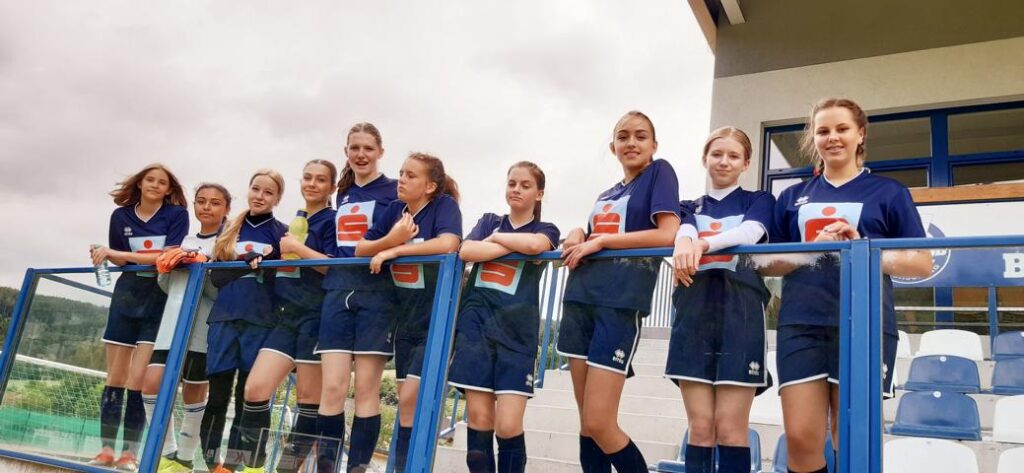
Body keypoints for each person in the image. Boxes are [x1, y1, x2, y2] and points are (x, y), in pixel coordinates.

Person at [770, 98, 931, 473]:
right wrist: (809, 251)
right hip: (801, 323)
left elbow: (922, 263)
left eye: (842, 129)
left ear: (860, 134)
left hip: (865, 326)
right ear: (814, 138)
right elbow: (767, 263)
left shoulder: (889, 192)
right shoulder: (792, 197)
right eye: (823, 131)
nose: (832, 137)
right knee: (800, 439)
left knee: (852, 439)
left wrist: (862, 249)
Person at [558, 111, 680, 473]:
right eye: (623, 136)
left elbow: (667, 234)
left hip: (619, 302)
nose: (631, 142)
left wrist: (602, 241)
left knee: (599, 422)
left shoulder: (660, 173)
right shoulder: (606, 194)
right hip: (580, 298)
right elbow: (589, 237)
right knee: (586, 424)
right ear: (613, 147)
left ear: (654, 145)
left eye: (640, 136)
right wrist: (578, 232)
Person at [666, 127, 774, 473]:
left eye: (733, 155)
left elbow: (751, 233)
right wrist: (685, 239)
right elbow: (683, 230)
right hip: (693, 314)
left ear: (746, 163)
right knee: (700, 428)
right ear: (705, 159)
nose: (724, 161)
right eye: (716, 154)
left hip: (741, 315)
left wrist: (702, 244)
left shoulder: (759, 200)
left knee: (730, 429)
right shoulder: (687, 207)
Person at [448, 161, 561, 473]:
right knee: (479, 420)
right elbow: (466, 251)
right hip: (476, 330)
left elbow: (536, 245)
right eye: (512, 183)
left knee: (508, 426)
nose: (517, 190)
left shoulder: (546, 230)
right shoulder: (489, 220)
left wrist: (496, 240)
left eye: (525, 185)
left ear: (539, 193)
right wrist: (511, 244)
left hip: (517, 335)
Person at [356, 152, 462, 472]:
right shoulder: (394, 211)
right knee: (406, 412)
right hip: (406, 323)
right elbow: (361, 249)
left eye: (411, 175)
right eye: (401, 173)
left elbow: (449, 243)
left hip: (437, 322)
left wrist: (397, 249)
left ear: (430, 186)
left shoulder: (443, 206)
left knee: (412, 400)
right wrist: (392, 238)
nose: (401, 179)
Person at [235, 160, 338, 473]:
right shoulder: (296, 220)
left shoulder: (332, 220)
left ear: (332, 187)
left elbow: (334, 267)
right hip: (286, 315)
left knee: (307, 400)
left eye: (320, 179)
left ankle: (286, 469)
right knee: (255, 389)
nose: (312, 184)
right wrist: (265, 257)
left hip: (316, 316)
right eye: (307, 178)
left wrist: (297, 247)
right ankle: (253, 465)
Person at [89, 164, 189, 472]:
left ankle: (130, 453)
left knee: (138, 380)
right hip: (126, 296)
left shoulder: (176, 215)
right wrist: (103, 254)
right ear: (140, 183)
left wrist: (119, 255)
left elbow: (167, 258)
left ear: (169, 189)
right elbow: (118, 260)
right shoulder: (121, 216)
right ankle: (106, 450)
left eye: (162, 182)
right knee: (115, 377)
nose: (156, 185)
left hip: (158, 298)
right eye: (150, 180)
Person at [314, 123, 400, 473]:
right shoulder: (344, 194)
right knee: (333, 388)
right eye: (354, 148)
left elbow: (402, 237)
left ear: (380, 151)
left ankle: (358, 467)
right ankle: (326, 467)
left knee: (365, 390)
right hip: (337, 292)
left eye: (368, 148)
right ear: (346, 152)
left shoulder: (394, 190)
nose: (361, 154)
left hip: (377, 294)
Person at [201, 170, 288, 473]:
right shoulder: (229, 229)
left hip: (260, 321)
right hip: (224, 319)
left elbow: (281, 281)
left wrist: (266, 264)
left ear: (277, 198)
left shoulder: (282, 233)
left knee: (246, 398)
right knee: (218, 396)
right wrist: (245, 262)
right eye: (255, 189)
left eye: (268, 192)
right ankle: (211, 463)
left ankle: (237, 464)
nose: (260, 196)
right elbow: (216, 277)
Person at [142, 183, 232, 473]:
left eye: (215, 203)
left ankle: (185, 459)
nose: (207, 207)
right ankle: (167, 452)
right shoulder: (184, 240)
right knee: (151, 384)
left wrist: (201, 268)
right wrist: (167, 266)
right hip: (171, 326)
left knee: (193, 393)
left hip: (202, 330)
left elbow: (220, 292)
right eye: (201, 201)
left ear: (226, 209)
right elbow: (168, 286)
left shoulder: (227, 244)